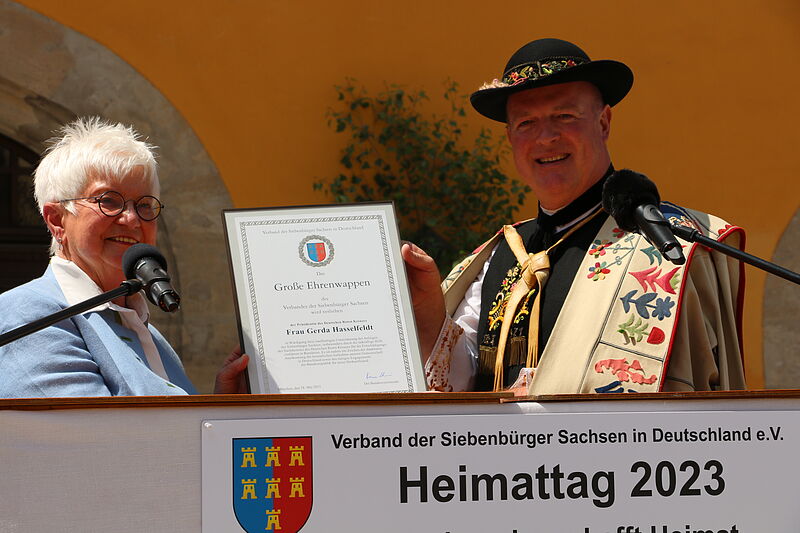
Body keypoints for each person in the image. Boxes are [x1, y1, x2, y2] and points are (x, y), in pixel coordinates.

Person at [402, 38, 746, 394]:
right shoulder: (497, 256)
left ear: (604, 122)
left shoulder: (670, 245)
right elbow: (463, 380)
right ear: (509, 137)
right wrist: (427, 311)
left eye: (564, 116)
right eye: (526, 123)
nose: (545, 137)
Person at [0, 117, 248, 397]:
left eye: (144, 204)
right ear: (57, 220)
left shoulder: (148, 333)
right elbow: (91, 435)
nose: (131, 219)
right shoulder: (29, 314)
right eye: (108, 200)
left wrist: (226, 403)